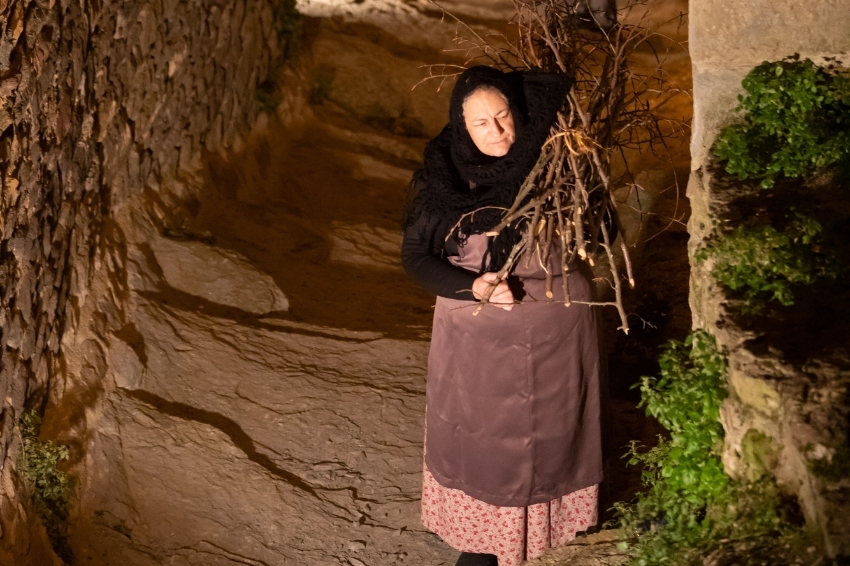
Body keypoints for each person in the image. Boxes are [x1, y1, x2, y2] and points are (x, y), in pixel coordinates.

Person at [401, 66, 606, 566]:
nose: (497, 132)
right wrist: (474, 286)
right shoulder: (443, 179)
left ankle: (544, 541)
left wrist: (579, 220)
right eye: (480, 124)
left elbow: (603, 233)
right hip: (475, 341)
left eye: (503, 116)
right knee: (485, 445)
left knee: (555, 440)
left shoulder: (558, 164)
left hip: (558, 332)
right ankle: (483, 545)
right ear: (459, 126)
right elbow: (415, 257)